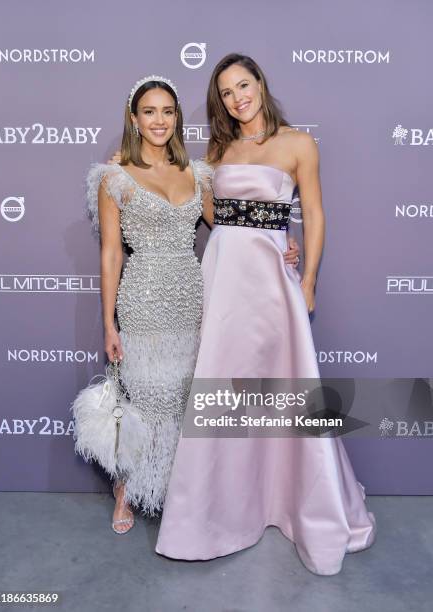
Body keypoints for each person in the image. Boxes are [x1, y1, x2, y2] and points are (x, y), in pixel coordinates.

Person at [155, 54, 376, 575]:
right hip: (225, 276)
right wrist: (248, 229)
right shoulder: (220, 147)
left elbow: (315, 212)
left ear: (261, 83)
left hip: (273, 285)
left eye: (244, 85)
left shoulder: (299, 143)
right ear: (222, 103)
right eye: (227, 93)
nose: (238, 98)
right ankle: (221, 510)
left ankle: (294, 502)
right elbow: (212, 210)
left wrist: (308, 275)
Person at [71, 75, 215, 533]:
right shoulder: (114, 178)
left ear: (176, 118)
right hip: (142, 299)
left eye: (168, 111)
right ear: (134, 119)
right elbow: (111, 253)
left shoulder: (198, 173)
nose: (159, 120)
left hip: (189, 295)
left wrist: (280, 245)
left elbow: (231, 227)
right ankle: (126, 489)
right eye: (149, 111)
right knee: (145, 397)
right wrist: (109, 324)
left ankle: (177, 488)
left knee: (180, 400)